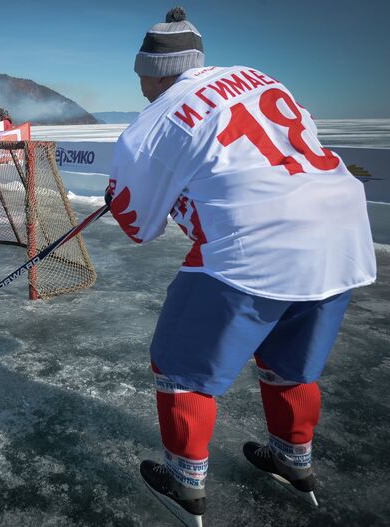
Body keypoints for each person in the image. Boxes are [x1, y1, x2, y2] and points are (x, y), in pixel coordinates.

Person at [105, 7, 376, 526]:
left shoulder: (153, 123)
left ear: (152, 70)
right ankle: (293, 460)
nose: (138, 85)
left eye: (138, 73)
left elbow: (139, 228)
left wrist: (120, 194)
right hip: (343, 232)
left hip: (257, 245)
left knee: (180, 364)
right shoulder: (258, 76)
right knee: (290, 363)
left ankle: (185, 487)